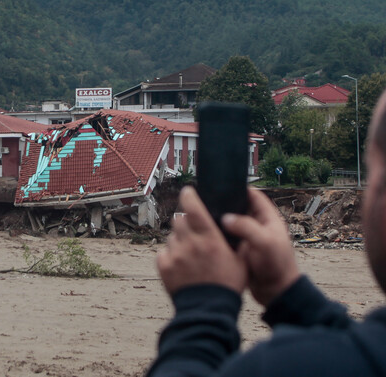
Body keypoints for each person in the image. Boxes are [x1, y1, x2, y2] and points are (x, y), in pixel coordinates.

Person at [147, 90, 386, 377]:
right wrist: (288, 292)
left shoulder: (280, 365)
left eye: (372, 174)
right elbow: (362, 354)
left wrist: (202, 309)